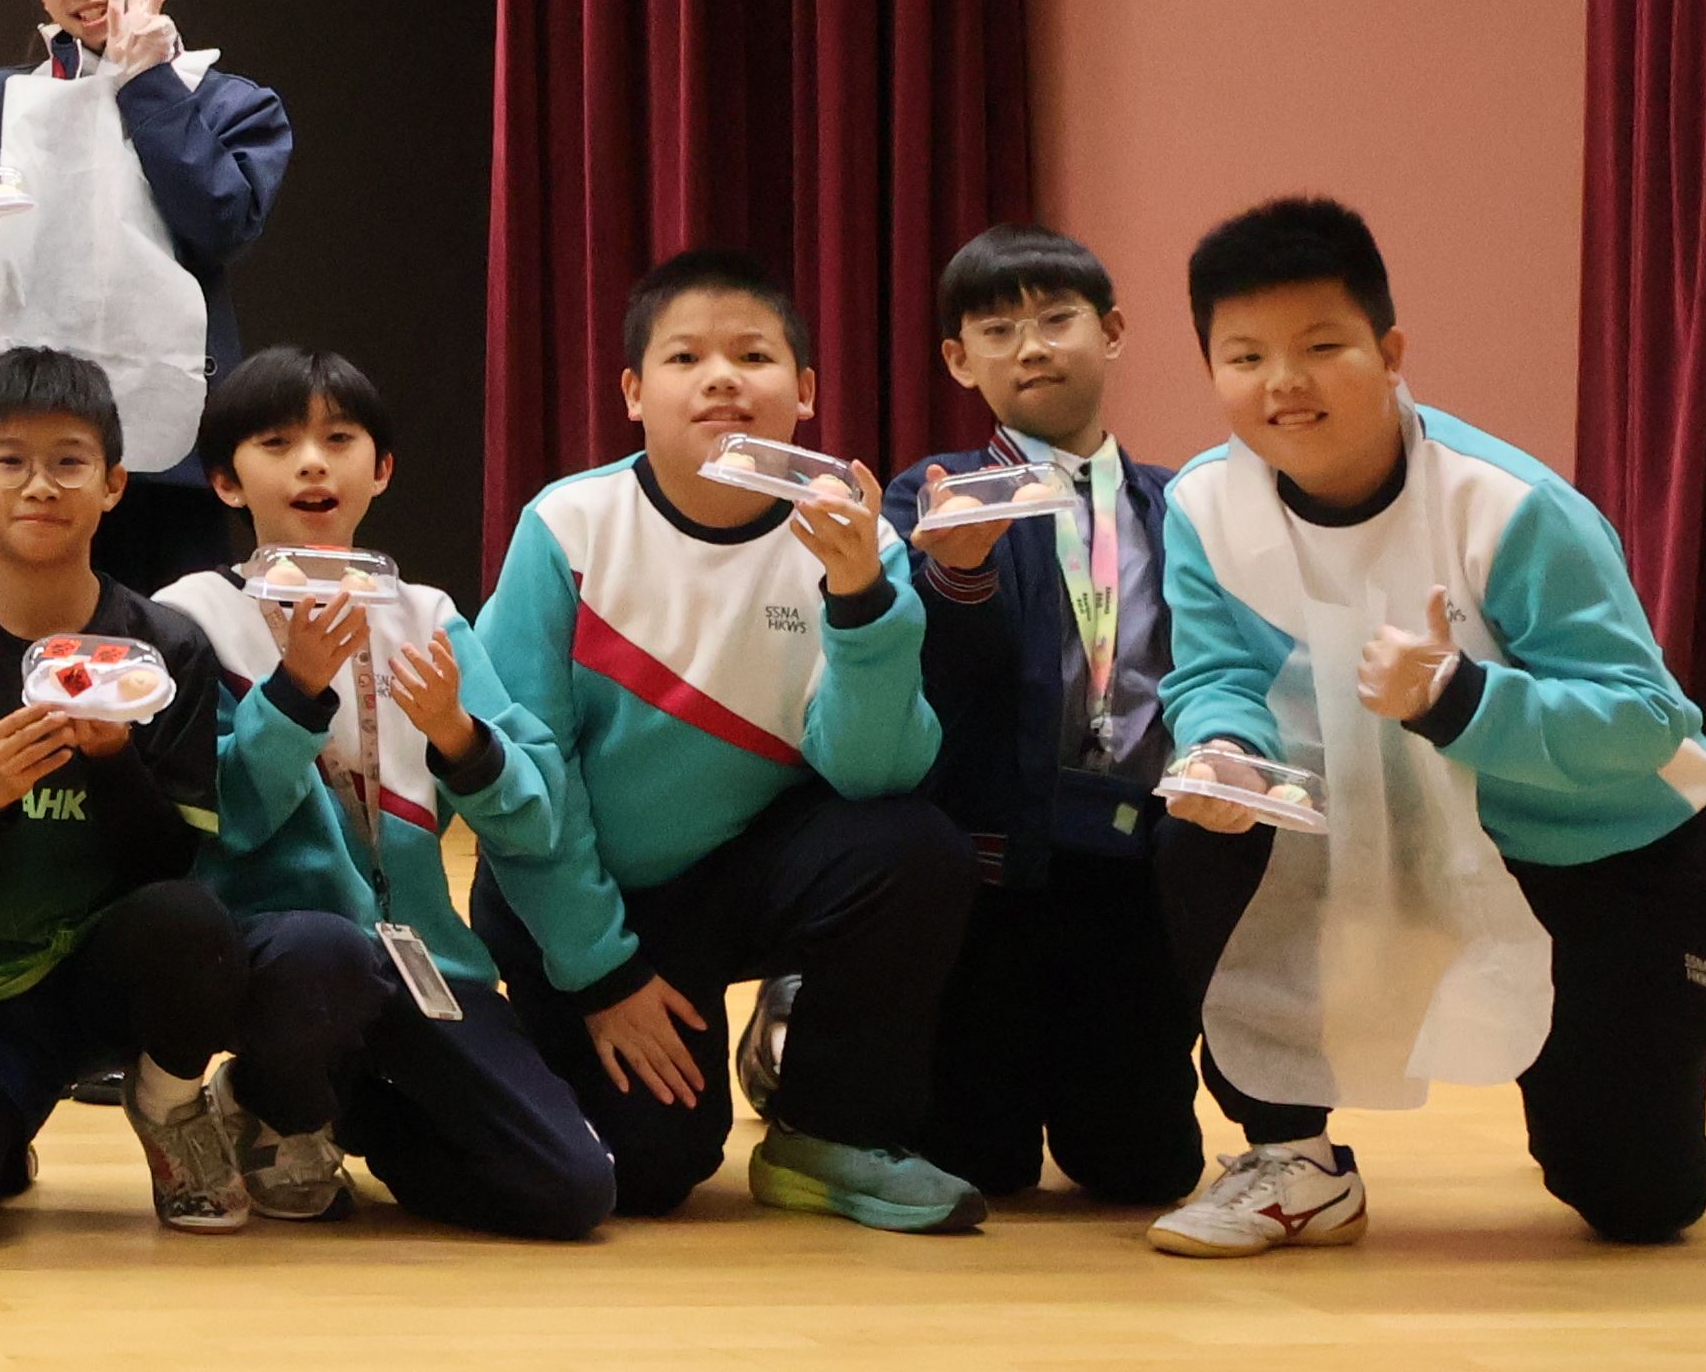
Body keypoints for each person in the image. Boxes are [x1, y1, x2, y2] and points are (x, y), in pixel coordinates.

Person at [1147, 196, 1706, 1259]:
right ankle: (1293, 1159)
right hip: (1375, 829)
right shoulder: (1201, 507)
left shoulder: (1507, 505)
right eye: (1246, 356)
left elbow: (1648, 720)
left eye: (1322, 346)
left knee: (1641, 1202)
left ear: (1390, 351)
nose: (1284, 382)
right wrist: (1224, 751)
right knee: (1202, 833)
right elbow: (1215, 673)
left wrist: (1460, 698)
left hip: (1589, 849)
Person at [470, 251, 983, 1233]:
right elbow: (521, 779)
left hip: (733, 878)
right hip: (575, 895)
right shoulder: (568, 526)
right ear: (633, 392)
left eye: (752, 355)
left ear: (805, 390)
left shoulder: (855, 538)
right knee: (650, 1172)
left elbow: (874, 774)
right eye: (685, 357)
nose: (720, 379)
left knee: (915, 848)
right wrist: (602, 972)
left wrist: (858, 599)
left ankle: (827, 1129)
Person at [0, 345, 367, 1242]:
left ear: (115, 484)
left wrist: (117, 762)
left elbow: (171, 861)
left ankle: (170, 1105)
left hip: (113, 974)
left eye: (69, 461)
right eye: (10, 461)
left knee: (190, 922)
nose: (41, 486)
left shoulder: (167, 647)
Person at [155, 346, 617, 1242]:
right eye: (277, 443)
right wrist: (294, 696)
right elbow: (216, 824)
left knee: (572, 1189)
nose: (312, 464)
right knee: (321, 957)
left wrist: (459, 737)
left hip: (422, 962)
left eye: (339, 440)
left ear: (383, 469)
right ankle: (273, 1096)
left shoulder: (427, 615)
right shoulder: (192, 617)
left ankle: (344, 1115)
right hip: (287, 960)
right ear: (225, 481)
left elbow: (536, 817)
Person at [871, 225, 1201, 1211]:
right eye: (998, 330)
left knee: (1143, 1171)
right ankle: (805, 1021)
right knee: (982, 1163)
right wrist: (958, 574)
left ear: (1113, 332)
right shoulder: (933, 494)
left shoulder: (1182, 504)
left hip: (1131, 864)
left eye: (1058, 319)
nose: (1032, 348)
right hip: (993, 868)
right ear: (958, 359)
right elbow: (920, 682)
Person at [0, 0, 289, 599]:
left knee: (174, 655)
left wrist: (149, 85)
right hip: (23, 453)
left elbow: (218, 225)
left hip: (169, 459)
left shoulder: (232, 104)